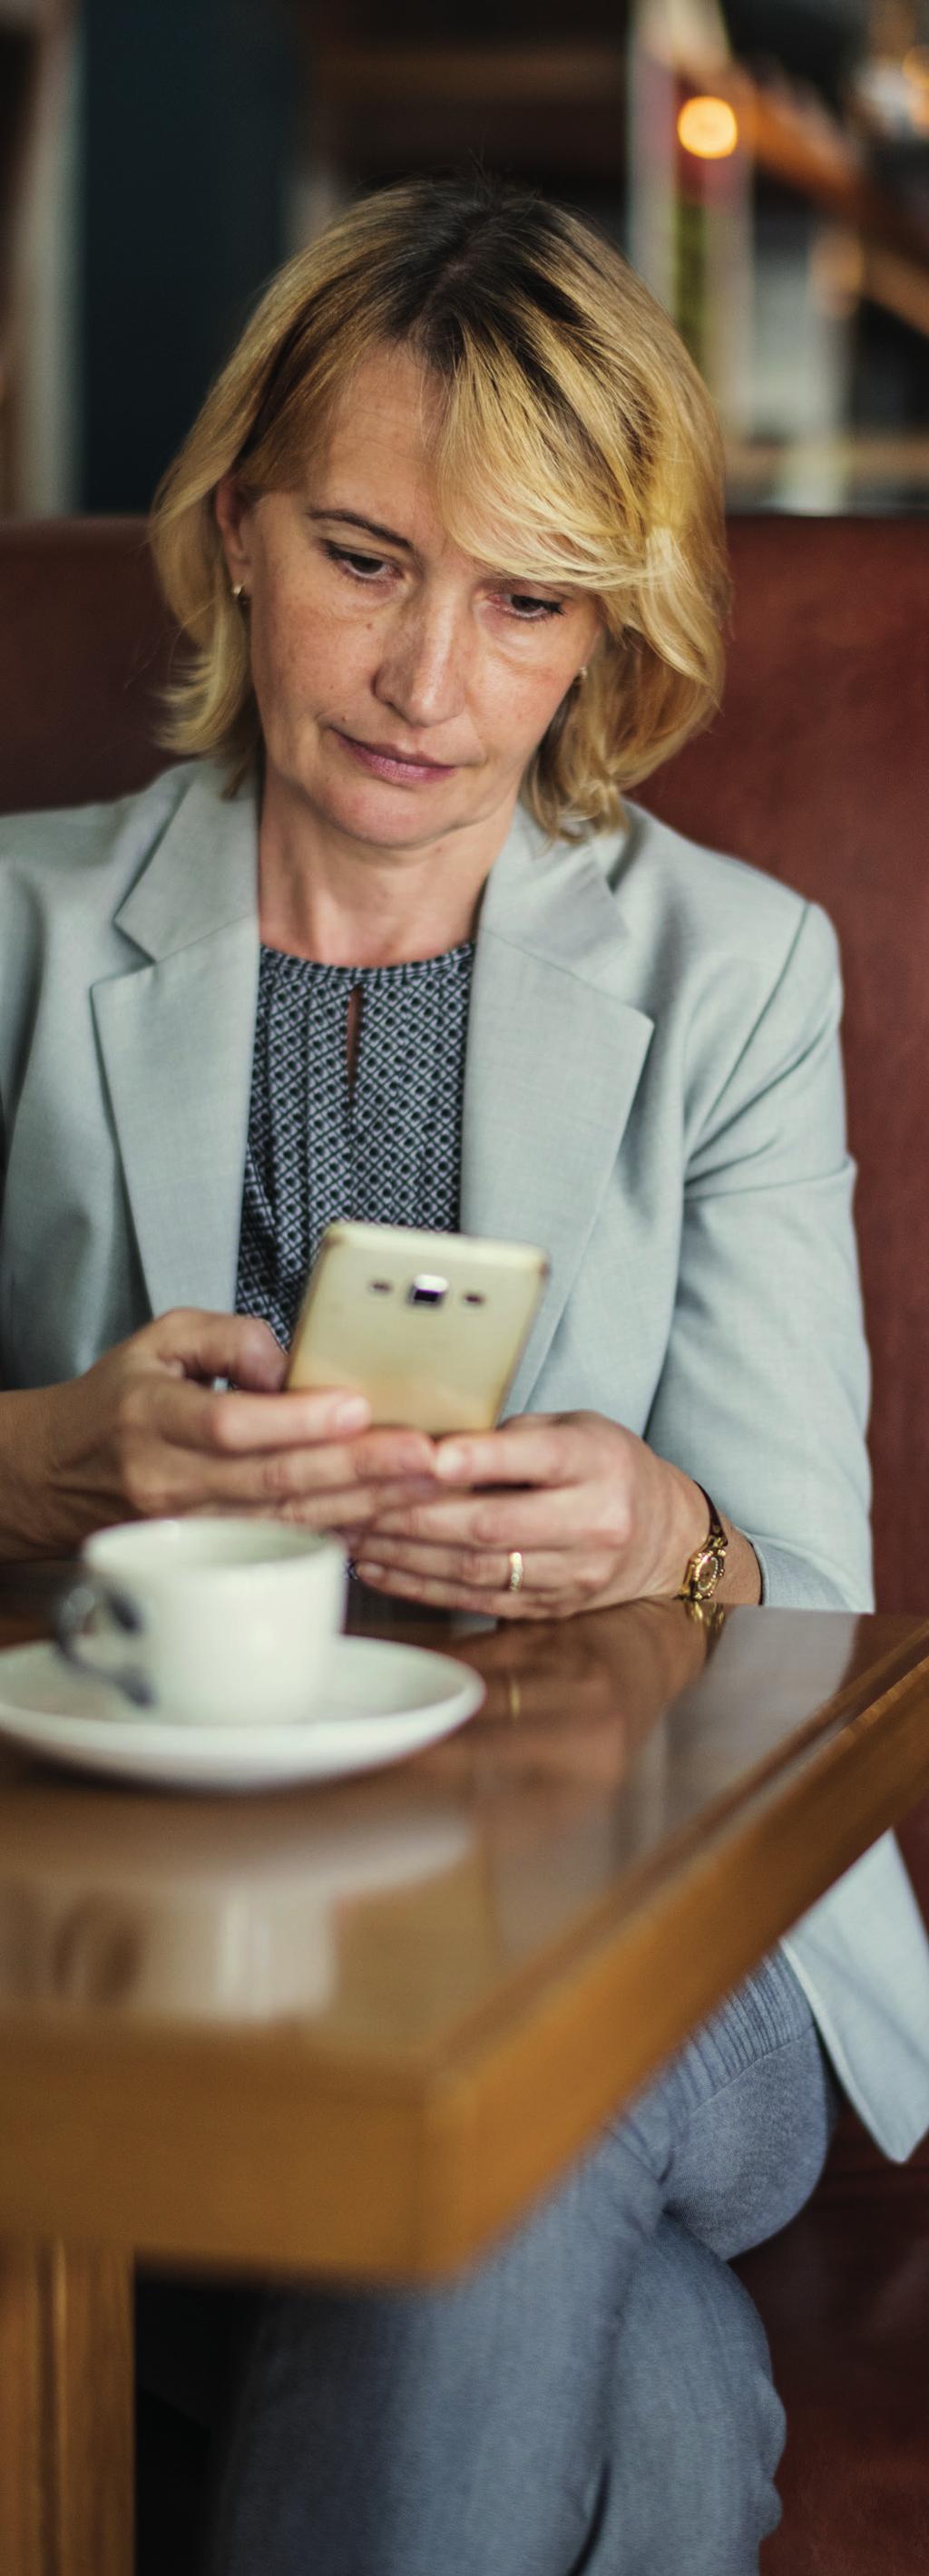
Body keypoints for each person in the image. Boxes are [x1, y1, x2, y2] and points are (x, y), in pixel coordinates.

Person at [1, 174, 928, 2571]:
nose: (434, 679)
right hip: (164, 1948)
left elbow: (803, 1591)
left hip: (671, 1957)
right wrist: (47, 1457)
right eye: (367, 557)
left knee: (525, 2063)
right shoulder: (15, 927)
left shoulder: (736, 977)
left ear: (603, 633)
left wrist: (659, 1530)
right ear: (230, 537)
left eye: (527, 599)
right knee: (652, 2385)